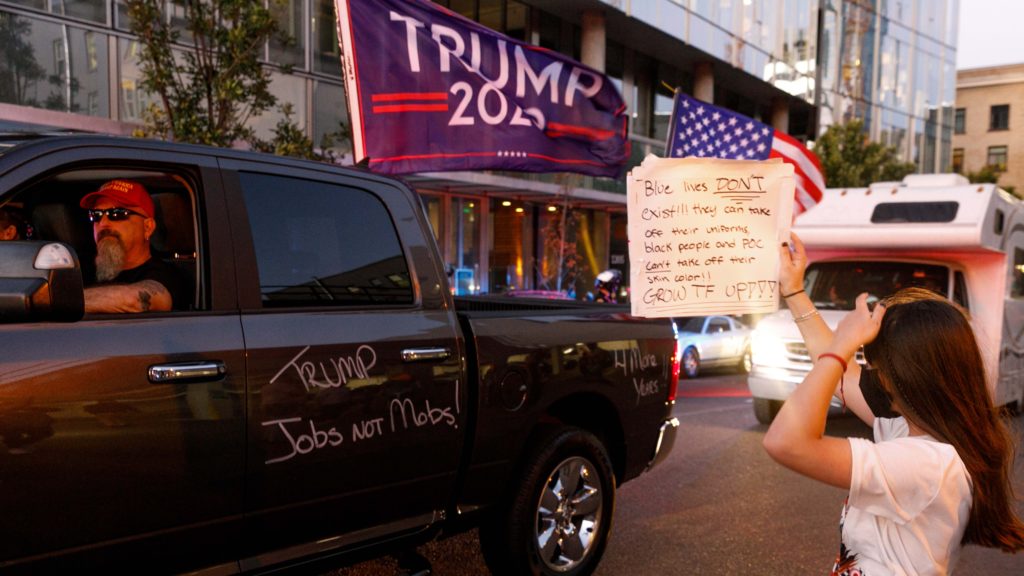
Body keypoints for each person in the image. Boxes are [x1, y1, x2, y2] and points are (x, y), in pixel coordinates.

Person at [763, 232, 1024, 575]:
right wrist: (795, 293)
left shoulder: (926, 465)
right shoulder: (921, 437)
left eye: (875, 367)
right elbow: (846, 380)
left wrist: (841, 349)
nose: (869, 374)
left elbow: (786, 442)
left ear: (898, 380)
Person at [80, 179, 189, 313]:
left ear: (147, 227)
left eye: (117, 214)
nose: (102, 223)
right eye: (96, 216)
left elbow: (135, 301)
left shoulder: (166, 276)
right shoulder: (83, 270)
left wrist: (57, 301)